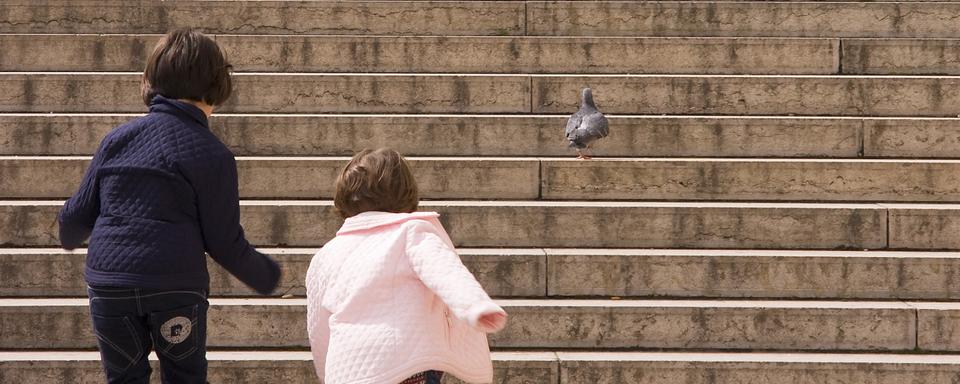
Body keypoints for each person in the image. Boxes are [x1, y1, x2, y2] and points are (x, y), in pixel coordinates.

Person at [58, 28, 281, 384]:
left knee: (123, 377)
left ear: (150, 81)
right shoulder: (213, 155)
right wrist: (268, 276)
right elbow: (223, 242)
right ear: (218, 86)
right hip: (174, 285)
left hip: (109, 282)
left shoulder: (117, 140)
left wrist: (68, 233)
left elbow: (75, 219)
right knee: (184, 376)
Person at [306, 148, 508, 384]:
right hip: (405, 365)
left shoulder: (325, 254)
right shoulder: (411, 231)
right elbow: (446, 272)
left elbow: (318, 328)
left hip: (349, 368)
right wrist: (476, 306)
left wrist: (325, 371)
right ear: (405, 193)